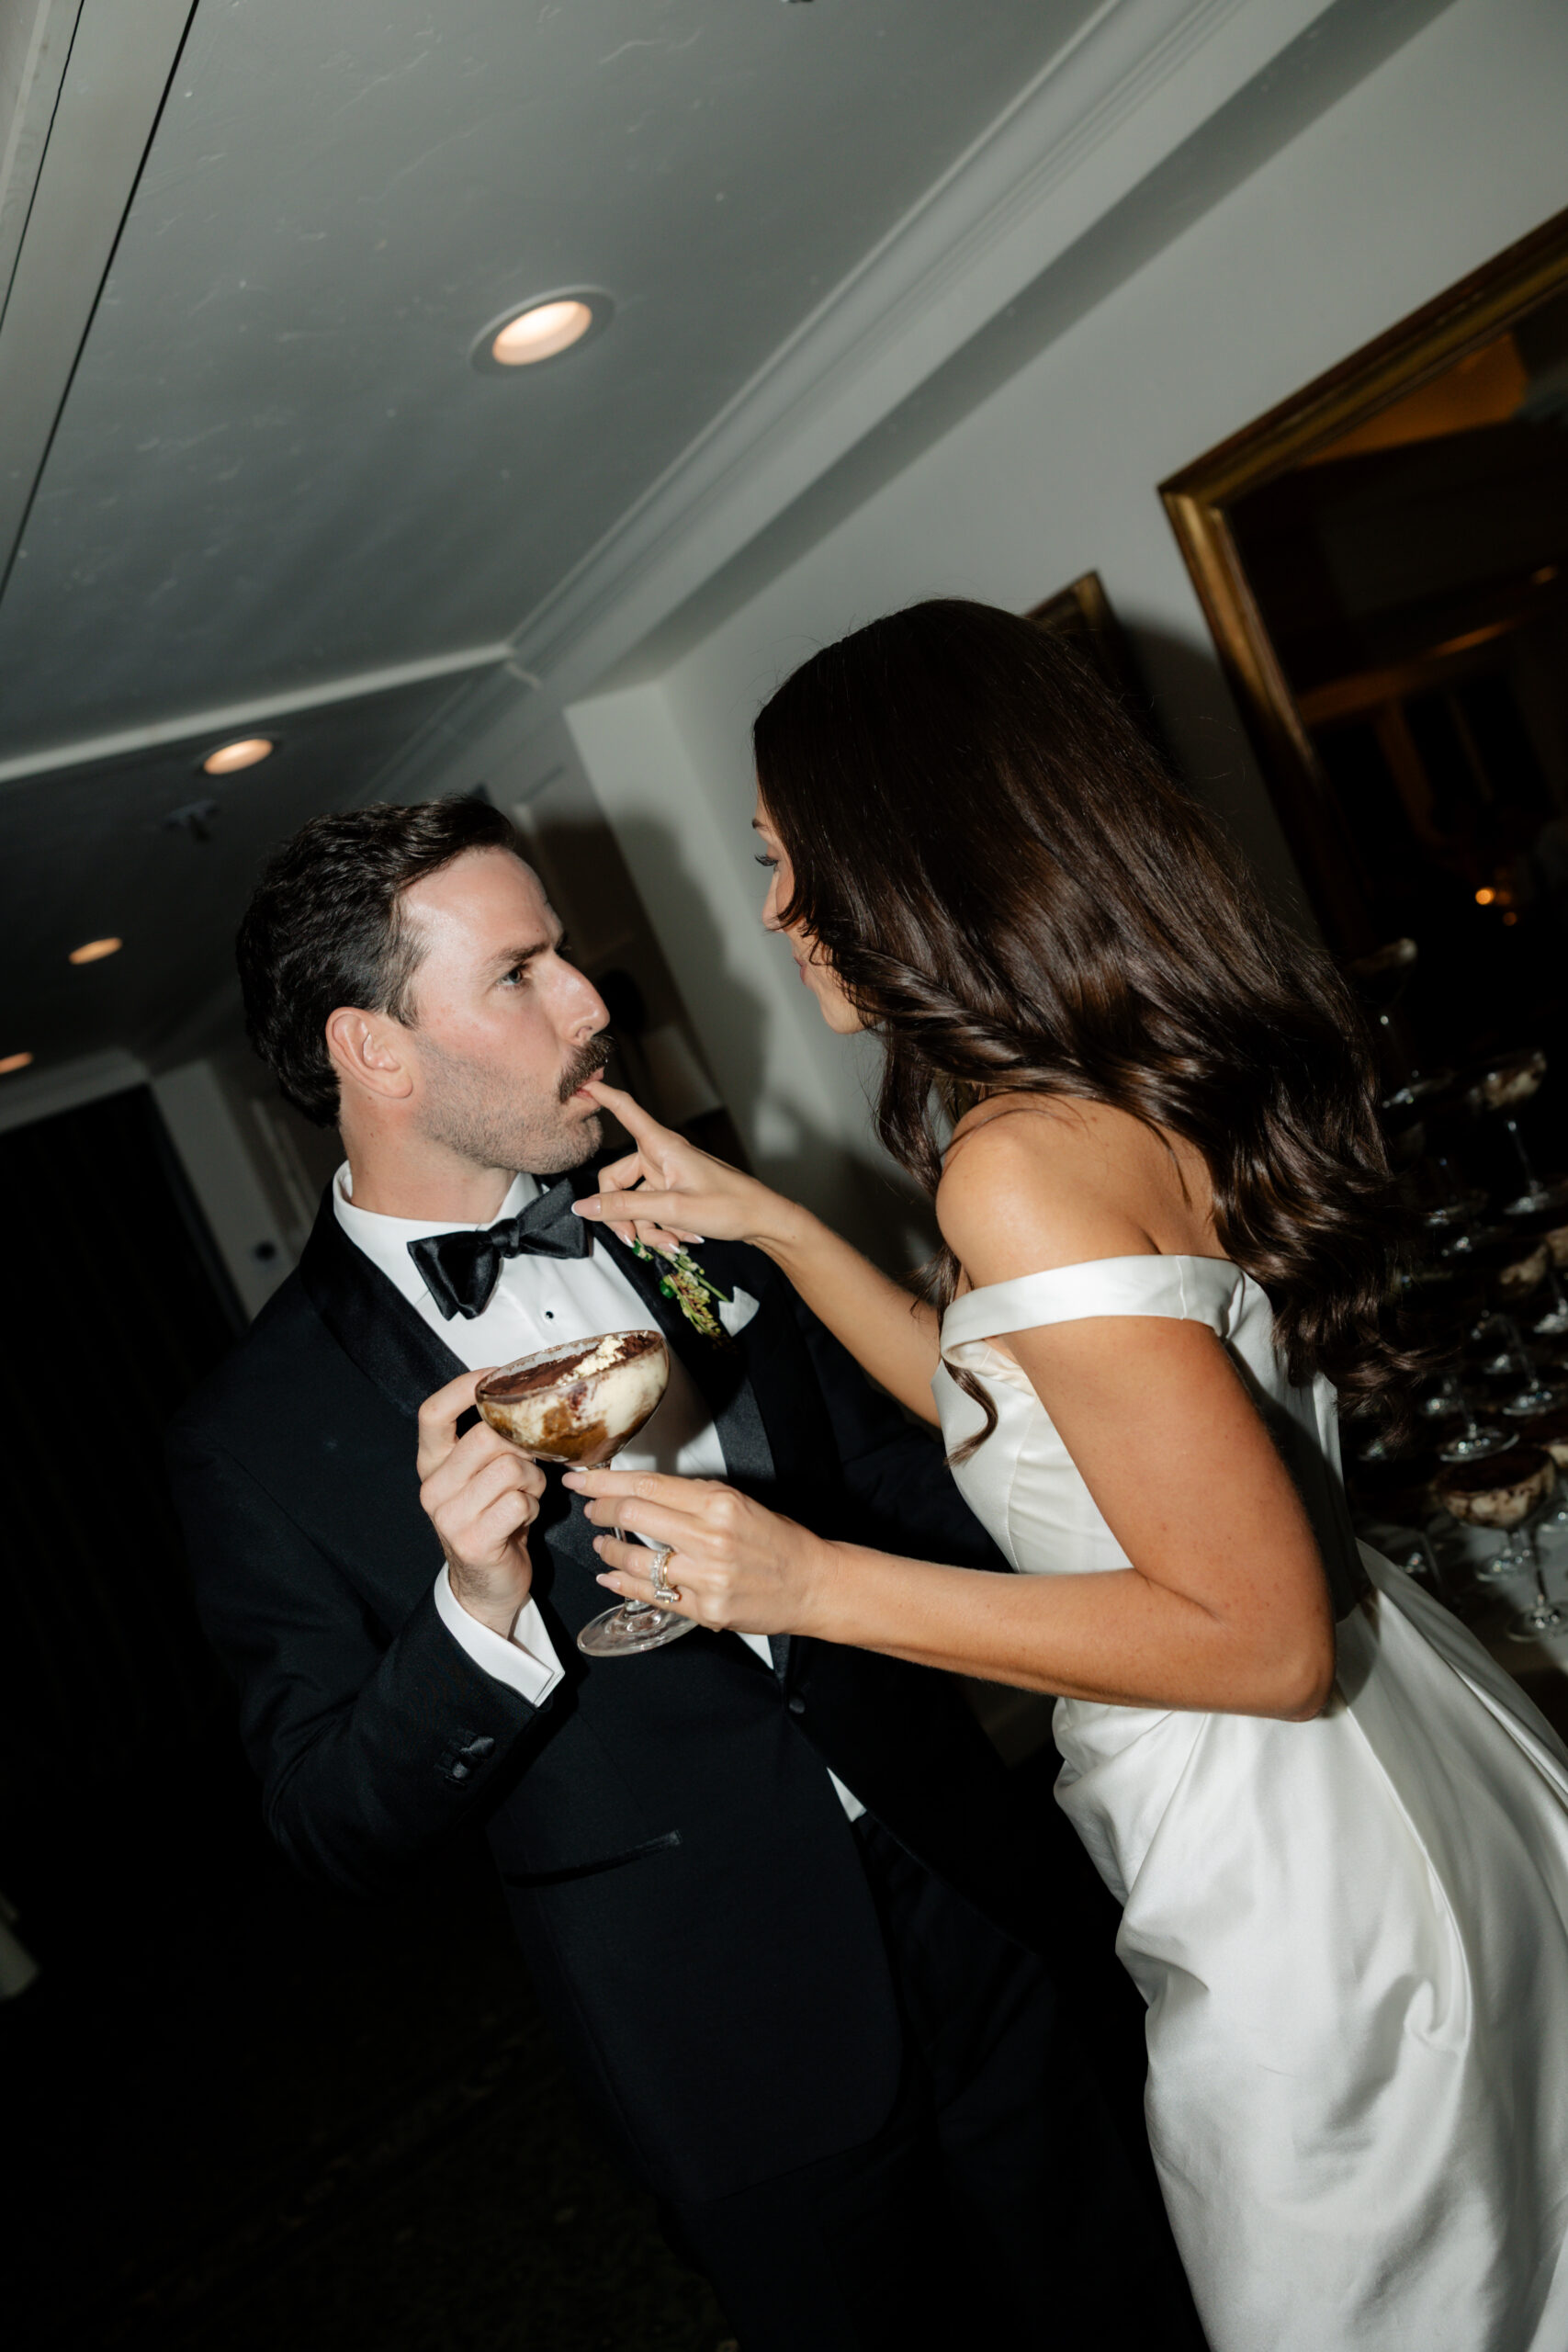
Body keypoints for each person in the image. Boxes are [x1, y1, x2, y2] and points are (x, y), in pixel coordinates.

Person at [565, 599, 1568, 2352]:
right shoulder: (1120, 1088)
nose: (779, 908)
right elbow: (1027, 1426)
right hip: (1393, 1760)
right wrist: (781, 1229)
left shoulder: (1011, 1167)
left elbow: (1261, 1643)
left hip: (1292, 1862)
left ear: (915, 852)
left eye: (792, 860)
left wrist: (801, 1583)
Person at [165, 796, 1197, 2352]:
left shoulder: (685, 1201)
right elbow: (328, 1825)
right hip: (725, 2036)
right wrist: (476, 1610)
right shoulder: (254, 1433)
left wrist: (1153, 1549)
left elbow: (891, 1481)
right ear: (373, 1051)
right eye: (520, 973)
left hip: (975, 1892)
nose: (590, 1000)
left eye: (564, 952)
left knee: (1136, 2294)